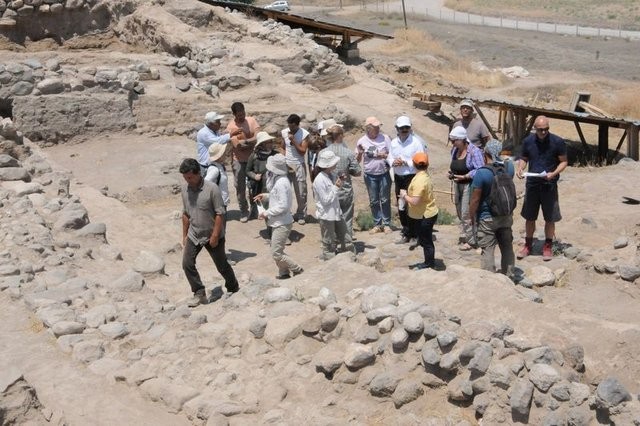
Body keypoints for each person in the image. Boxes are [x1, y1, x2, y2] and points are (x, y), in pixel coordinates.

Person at [179, 158, 239, 307]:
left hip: (213, 234)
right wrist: (185, 235)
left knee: (221, 265)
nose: (188, 180)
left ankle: (233, 287)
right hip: (194, 233)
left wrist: (215, 235)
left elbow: (220, 213)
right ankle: (199, 293)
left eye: (190, 177)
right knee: (187, 264)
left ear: (198, 173)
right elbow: (185, 214)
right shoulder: (184, 190)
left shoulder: (212, 189)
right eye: (185, 178)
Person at [516, 115, 568, 261]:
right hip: (532, 183)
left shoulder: (557, 141)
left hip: (549, 185)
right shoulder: (528, 141)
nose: (543, 132)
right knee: (529, 216)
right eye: (540, 130)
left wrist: (554, 173)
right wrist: (520, 168)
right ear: (535, 129)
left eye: (546, 129)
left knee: (550, 218)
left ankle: (548, 246)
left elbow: (564, 162)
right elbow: (524, 157)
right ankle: (528, 245)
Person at [469, 140, 516, 275]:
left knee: (488, 249)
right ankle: (510, 276)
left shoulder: (482, 173)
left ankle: (489, 279)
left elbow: (475, 199)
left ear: (486, 153)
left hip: (487, 217)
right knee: (507, 246)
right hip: (506, 215)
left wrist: (472, 217)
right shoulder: (509, 167)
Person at [254, 154, 304, 279]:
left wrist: (266, 213)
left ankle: (297, 269)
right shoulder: (278, 179)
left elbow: (283, 206)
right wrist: (265, 196)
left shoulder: (282, 183)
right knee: (277, 249)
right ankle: (284, 272)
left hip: (282, 222)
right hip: (278, 221)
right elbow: (276, 196)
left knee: (276, 252)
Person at [387, 115, 427, 244]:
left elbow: (421, 159)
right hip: (399, 177)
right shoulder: (393, 142)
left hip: (412, 177)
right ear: (397, 129)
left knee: (413, 204)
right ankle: (406, 231)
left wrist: (405, 162)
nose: (404, 130)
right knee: (401, 205)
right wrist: (394, 162)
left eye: (406, 128)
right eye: (402, 128)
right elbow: (389, 157)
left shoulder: (416, 142)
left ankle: (416, 233)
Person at [312, 150, 355, 260]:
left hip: (335, 213)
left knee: (346, 238)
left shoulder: (327, 175)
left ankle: (349, 258)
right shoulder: (320, 180)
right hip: (327, 216)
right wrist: (336, 187)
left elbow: (331, 193)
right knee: (329, 243)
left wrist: (338, 184)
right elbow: (326, 200)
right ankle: (331, 263)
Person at [399, 152, 439, 270]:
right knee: (425, 239)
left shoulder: (419, 181)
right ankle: (429, 261)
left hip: (424, 215)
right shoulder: (424, 176)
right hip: (427, 213)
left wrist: (404, 195)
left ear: (414, 164)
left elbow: (415, 201)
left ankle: (429, 263)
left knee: (426, 241)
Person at [448, 126, 485, 250]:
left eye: (454, 141)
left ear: (462, 139)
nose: (452, 143)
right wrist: (451, 174)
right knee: (459, 210)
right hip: (457, 183)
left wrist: (465, 176)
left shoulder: (474, 151)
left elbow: (480, 169)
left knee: (466, 212)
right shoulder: (454, 151)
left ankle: (471, 240)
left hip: (469, 184)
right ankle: (467, 233)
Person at [324, 122, 361, 241]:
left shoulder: (323, 153)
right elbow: (357, 172)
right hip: (345, 190)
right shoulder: (348, 152)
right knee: (346, 218)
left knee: (331, 218)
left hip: (328, 191)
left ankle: (332, 243)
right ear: (340, 136)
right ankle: (347, 243)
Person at [355, 116, 393, 234]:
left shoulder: (385, 138)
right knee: (374, 200)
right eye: (375, 127)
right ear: (368, 128)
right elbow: (356, 160)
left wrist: (385, 156)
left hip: (384, 173)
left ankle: (387, 224)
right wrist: (360, 153)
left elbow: (392, 153)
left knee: (385, 199)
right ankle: (377, 224)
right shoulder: (361, 141)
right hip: (370, 174)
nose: (377, 129)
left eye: (378, 127)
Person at [225, 102, 260, 223]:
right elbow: (237, 145)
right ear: (234, 114)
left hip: (252, 158)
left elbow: (258, 137)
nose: (242, 116)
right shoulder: (231, 126)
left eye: (243, 113)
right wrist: (250, 141)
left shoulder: (251, 120)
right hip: (238, 160)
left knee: (254, 185)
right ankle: (243, 210)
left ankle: (255, 209)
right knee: (240, 187)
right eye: (239, 115)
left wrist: (246, 141)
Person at [282, 114, 310, 225]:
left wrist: (293, 141)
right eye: (289, 126)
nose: (290, 129)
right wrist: (283, 157)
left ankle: (301, 214)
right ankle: (286, 213)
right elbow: (282, 146)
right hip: (287, 164)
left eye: (293, 126)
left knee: (301, 191)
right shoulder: (284, 132)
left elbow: (303, 151)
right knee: (285, 190)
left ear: (297, 125)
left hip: (299, 164)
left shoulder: (304, 134)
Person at [196, 111, 240, 177]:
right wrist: (231, 134)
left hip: (216, 164)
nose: (220, 124)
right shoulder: (203, 133)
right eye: (218, 122)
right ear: (211, 124)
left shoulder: (215, 131)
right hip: (206, 166)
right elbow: (217, 141)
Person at [246, 131, 278, 218]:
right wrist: (254, 176)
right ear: (262, 144)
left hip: (273, 183)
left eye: (271, 141)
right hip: (259, 184)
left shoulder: (276, 155)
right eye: (269, 142)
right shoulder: (254, 156)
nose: (271, 143)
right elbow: (248, 171)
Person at [204, 143, 230, 207]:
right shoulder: (214, 169)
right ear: (220, 156)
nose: (225, 153)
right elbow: (205, 184)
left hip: (222, 202)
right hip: (218, 204)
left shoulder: (219, 166)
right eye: (223, 152)